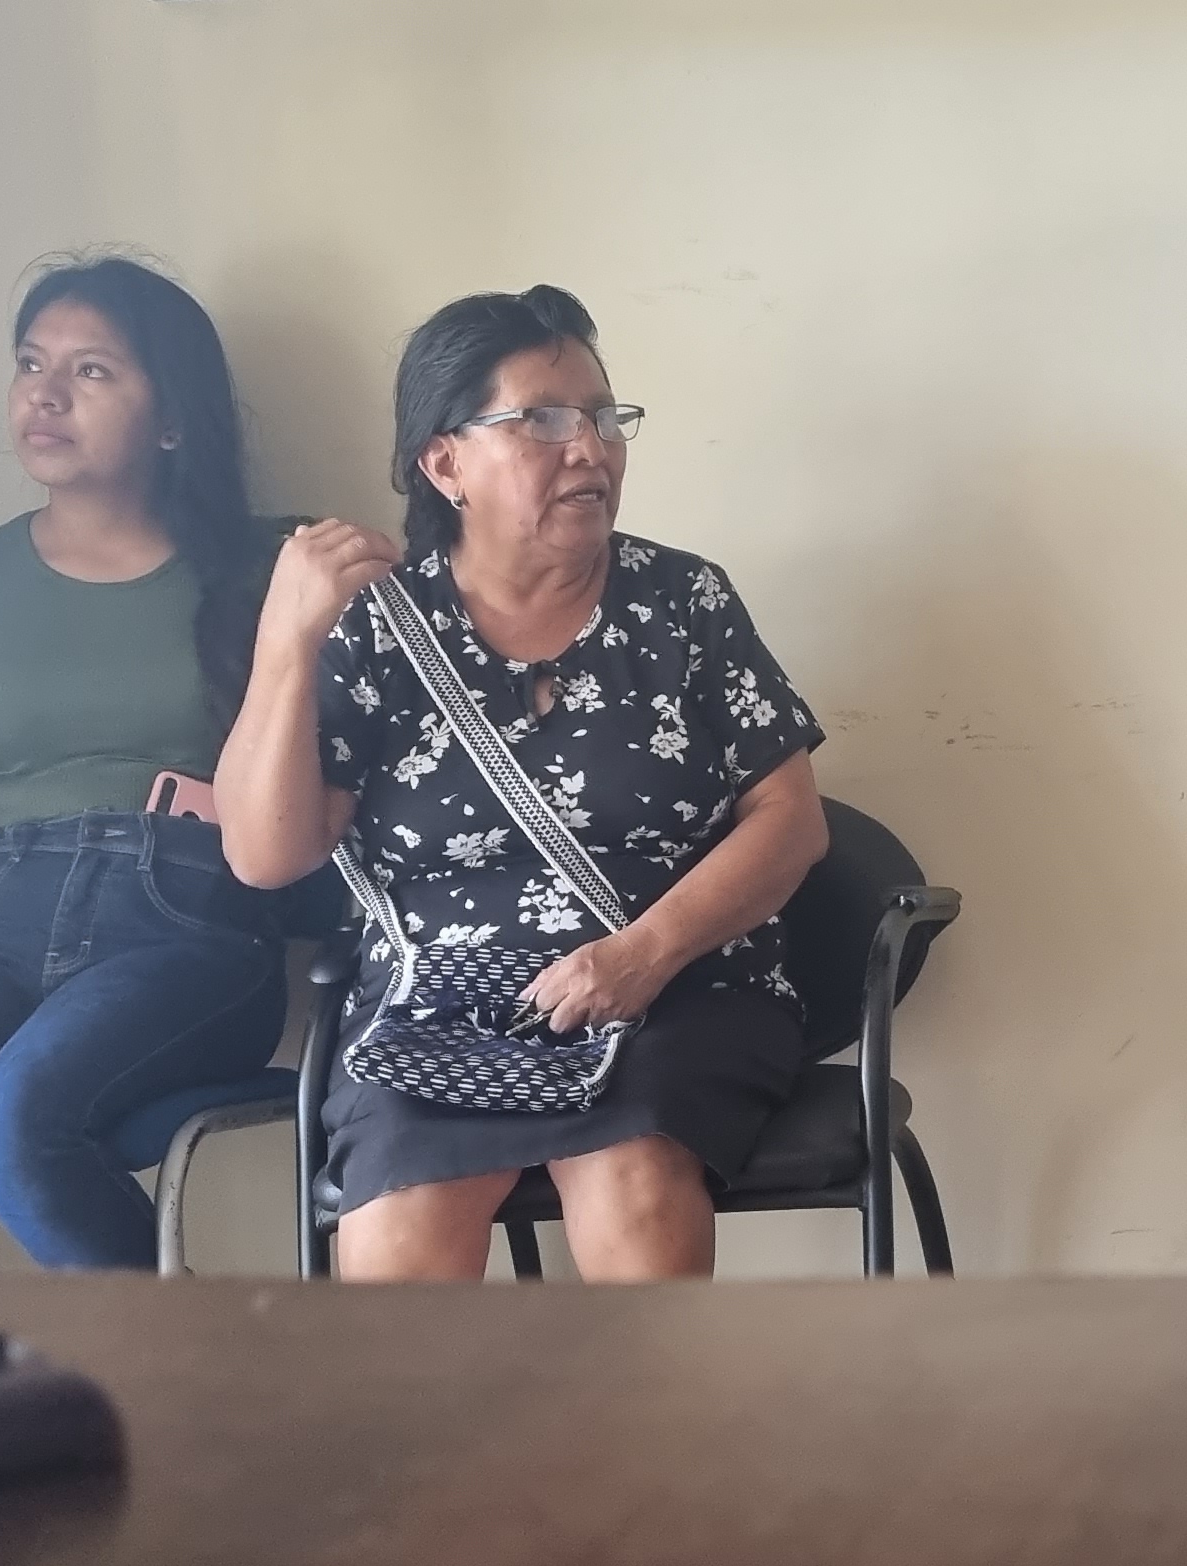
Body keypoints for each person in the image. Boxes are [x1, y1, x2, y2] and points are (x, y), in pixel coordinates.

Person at [215, 288, 830, 1284]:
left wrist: (641, 956)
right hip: (439, 1010)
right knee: (400, 1231)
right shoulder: (377, 628)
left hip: (674, 989)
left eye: (603, 417)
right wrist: (285, 642)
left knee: (630, 1182)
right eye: (541, 420)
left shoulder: (684, 602)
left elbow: (790, 821)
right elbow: (264, 854)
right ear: (444, 461)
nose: (589, 448)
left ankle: (656, 1401)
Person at [0, 257, 299, 1270]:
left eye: (91, 371)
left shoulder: (271, 575)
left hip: (184, 921)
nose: (45, 393)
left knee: (9, 1126)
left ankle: (185, 1367)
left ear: (172, 421)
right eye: (31, 363)